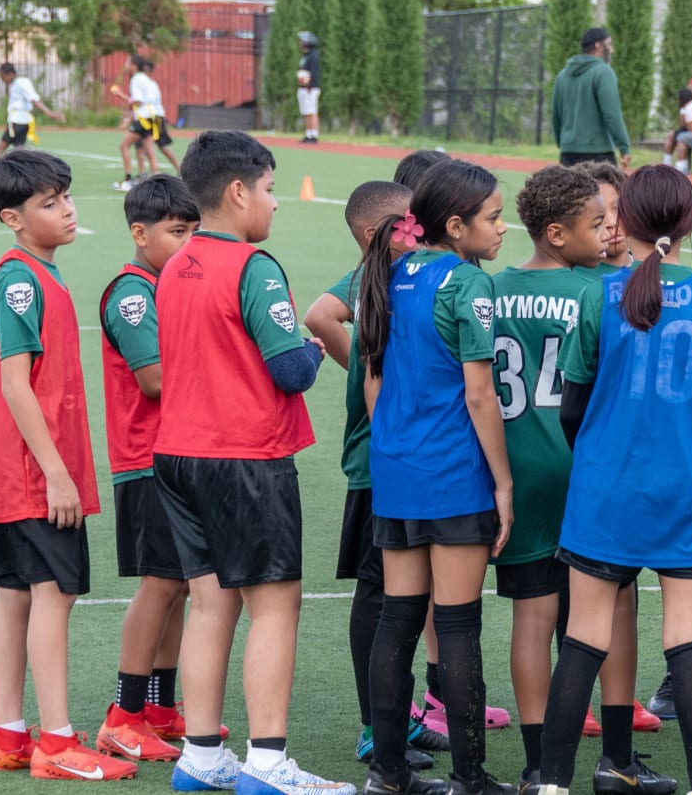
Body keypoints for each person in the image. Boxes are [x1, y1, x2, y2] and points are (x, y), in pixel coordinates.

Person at [533, 165, 692, 795]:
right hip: (687, 490)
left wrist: (606, 455)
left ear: (623, 221)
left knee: (584, 636)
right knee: (688, 638)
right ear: (690, 224)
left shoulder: (597, 296)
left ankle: (551, 784)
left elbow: (572, 408)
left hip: (606, 491)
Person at [153, 131, 351, 794]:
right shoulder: (253, 266)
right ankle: (268, 761)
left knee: (211, 604)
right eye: (270, 189)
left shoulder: (173, 264)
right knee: (274, 604)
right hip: (243, 455)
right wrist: (315, 351)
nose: (274, 202)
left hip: (178, 453)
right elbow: (291, 367)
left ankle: (201, 752)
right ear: (238, 191)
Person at [493, 166, 670, 793]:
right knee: (616, 609)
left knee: (533, 619)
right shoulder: (606, 291)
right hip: (591, 468)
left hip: (518, 468)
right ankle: (617, 758)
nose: (609, 231)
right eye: (597, 223)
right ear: (559, 233)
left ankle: (541, 763)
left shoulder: (494, 290)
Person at [0, 149, 138, 782]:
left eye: (66, 196)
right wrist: (57, 471)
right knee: (54, 593)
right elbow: (17, 385)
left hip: (15, 470)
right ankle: (56, 741)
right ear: (13, 218)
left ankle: (8, 735)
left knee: (15, 594)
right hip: (33, 471)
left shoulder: (39, 274)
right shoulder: (21, 280)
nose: (68, 209)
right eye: (50, 203)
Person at [356, 159, 514, 795]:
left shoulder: (390, 271)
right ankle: (470, 777)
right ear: (455, 224)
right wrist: (502, 483)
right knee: (457, 626)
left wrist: (396, 443)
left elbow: (375, 379)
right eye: (494, 218)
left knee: (398, 620)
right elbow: (481, 395)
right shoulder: (467, 284)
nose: (504, 229)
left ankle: (388, 775)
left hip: (397, 474)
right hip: (453, 475)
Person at [301, 180, 447, 772]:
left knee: (410, 594)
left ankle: (396, 713)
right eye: (409, 224)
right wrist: (360, 366)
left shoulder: (410, 277)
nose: (421, 234)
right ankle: (373, 726)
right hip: (377, 467)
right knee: (379, 595)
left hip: (413, 463)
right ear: (375, 235)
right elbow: (316, 315)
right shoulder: (373, 279)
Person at [95, 176, 200, 767]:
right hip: (147, 459)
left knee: (180, 583)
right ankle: (123, 715)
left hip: (178, 453)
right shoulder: (133, 293)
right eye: (176, 232)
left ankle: (159, 709)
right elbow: (155, 380)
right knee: (160, 583)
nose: (187, 243)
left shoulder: (166, 285)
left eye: (192, 231)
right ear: (140, 233)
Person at [0, 63, 65, 187]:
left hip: (18, 122)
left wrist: (50, 113)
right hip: (21, 122)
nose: (2, 79)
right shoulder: (16, 84)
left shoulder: (21, 83)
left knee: (0, 149)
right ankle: (31, 180)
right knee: (20, 152)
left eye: (3, 76)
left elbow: (34, 100)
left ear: (10, 74)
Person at [551, 27, 632, 169]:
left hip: (567, 154)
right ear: (598, 45)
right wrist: (624, 147)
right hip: (598, 154)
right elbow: (612, 115)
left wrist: (564, 143)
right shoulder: (603, 72)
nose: (612, 50)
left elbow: (556, 116)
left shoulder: (562, 75)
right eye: (609, 44)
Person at [115, 55, 162, 191]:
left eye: (127, 62)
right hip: (153, 116)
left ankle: (128, 179)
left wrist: (120, 95)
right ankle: (157, 179)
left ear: (133, 65)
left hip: (144, 118)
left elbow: (138, 101)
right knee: (149, 149)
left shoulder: (136, 79)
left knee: (124, 146)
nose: (125, 65)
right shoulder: (147, 79)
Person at [573, 162, 630, 270]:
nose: (612, 222)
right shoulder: (573, 281)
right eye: (598, 214)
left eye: (619, 208)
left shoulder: (653, 271)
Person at [298, 31, 322, 144]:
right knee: (306, 112)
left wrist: (310, 86)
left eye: (302, 41)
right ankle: (308, 134)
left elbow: (315, 73)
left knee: (312, 111)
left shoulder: (314, 56)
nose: (300, 43)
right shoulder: (305, 56)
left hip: (310, 89)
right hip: (303, 88)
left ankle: (314, 135)